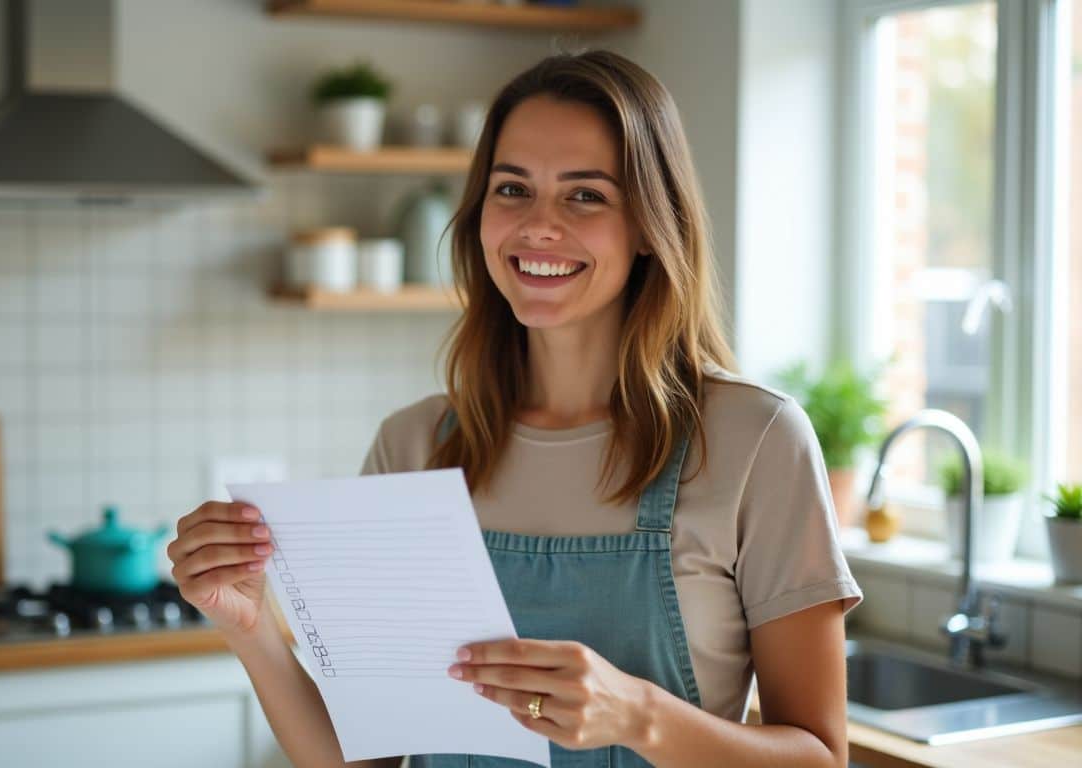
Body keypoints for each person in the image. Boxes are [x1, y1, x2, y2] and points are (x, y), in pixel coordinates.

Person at [167, 49, 862, 767]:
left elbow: (820, 757)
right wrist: (251, 628)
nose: (538, 225)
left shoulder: (756, 442)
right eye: (512, 189)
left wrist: (640, 714)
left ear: (653, 226)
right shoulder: (413, 446)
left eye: (585, 195)